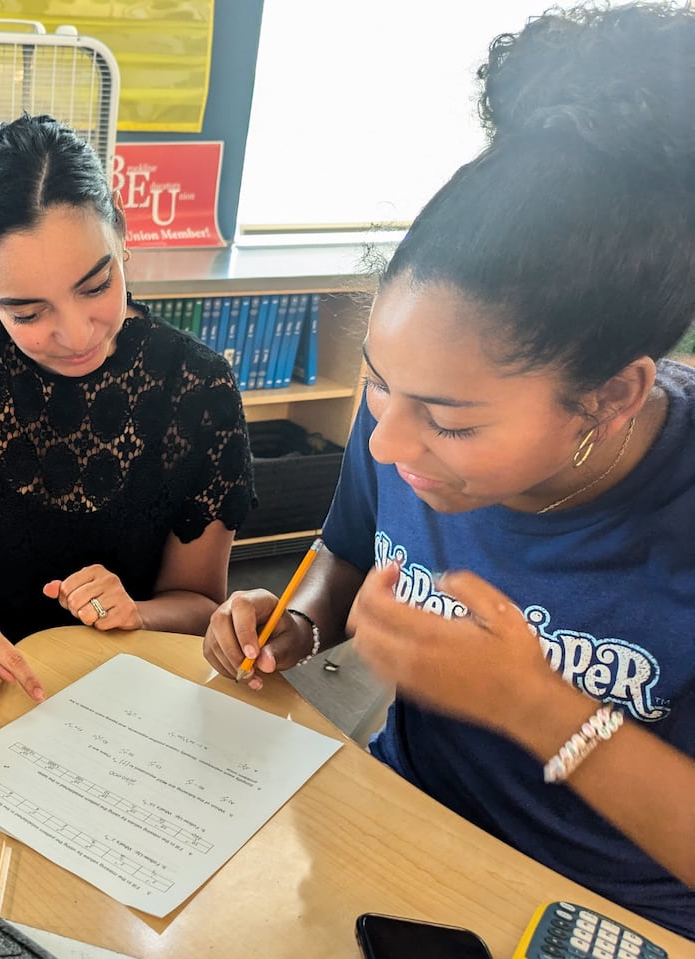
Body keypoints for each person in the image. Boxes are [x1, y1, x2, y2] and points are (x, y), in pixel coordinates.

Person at [202, 2, 695, 936]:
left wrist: (535, 703)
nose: (391, 443)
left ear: (612, 397)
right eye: (382, 385)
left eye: (452, 422)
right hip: (399, 834)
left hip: (599, 915)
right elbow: (343, 556)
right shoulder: (404, 417)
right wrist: (295, 625)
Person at [0, 114, 254, 702]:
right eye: (29, 314)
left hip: (118, 690)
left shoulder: (196, 386)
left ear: (121, 234)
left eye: (95, 287)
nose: (78, 334)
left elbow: (200, 604)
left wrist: (136, 612)